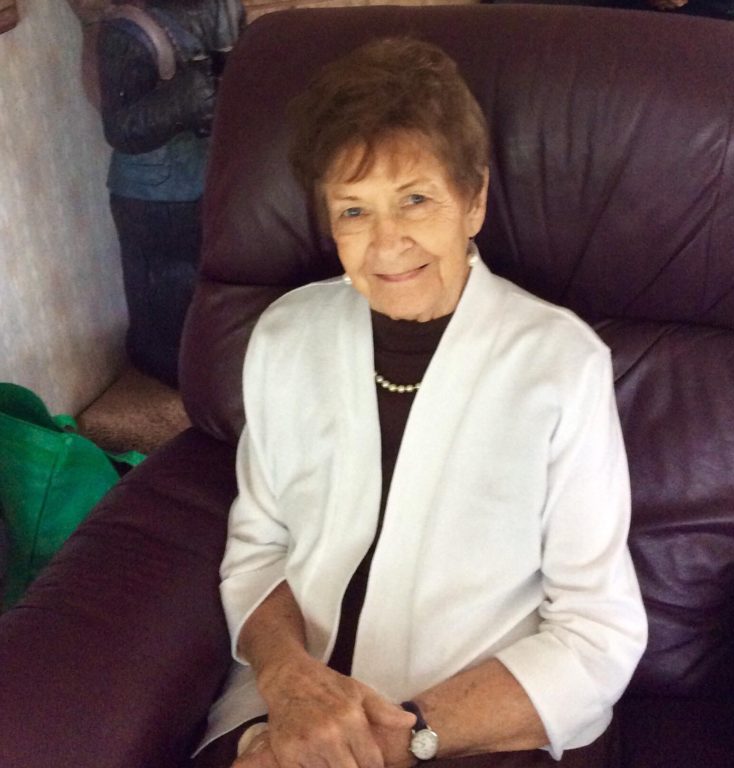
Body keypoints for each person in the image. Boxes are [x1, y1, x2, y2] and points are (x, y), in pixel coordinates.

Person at [193, 37, 647, 768]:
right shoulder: (284, 338)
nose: (387, 243)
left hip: (475, 728)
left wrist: (399, 738)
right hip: (289, 712)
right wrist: (290, 684)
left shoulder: (561, 365)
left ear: (474, 201)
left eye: (415, 199)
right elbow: (258, 548)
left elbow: (598, 633)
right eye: (353, 210)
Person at [97, 0, 244, 387]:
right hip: (152, 192)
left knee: (214, 270)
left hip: (211, 173)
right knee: (166, 282)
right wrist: (181, 102)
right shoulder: (127, 31)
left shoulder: (222, 9)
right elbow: (120, 128)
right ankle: (168, 361)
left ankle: (210, 357)